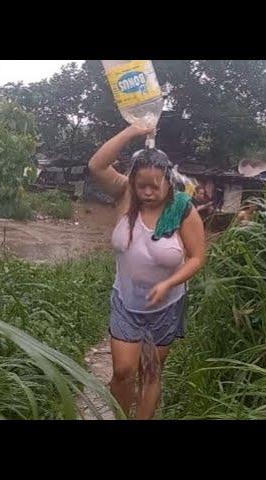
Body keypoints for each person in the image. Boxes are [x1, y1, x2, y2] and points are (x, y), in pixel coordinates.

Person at [88, 125, 206, 419]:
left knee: (150, 371)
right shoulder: (124, 195)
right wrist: (133, 130)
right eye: (142, 185)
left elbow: (196, 258)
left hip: (165, 306)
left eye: (156, 185)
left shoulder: (182, 209)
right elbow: (96, 165)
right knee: (123, 370)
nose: (149, 192)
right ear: (132, 181)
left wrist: (169, 284)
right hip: (126, 301)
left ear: (169, 180)